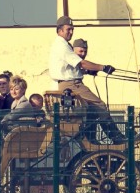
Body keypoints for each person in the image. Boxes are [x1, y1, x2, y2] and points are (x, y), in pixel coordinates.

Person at [50, 16, 123, 144]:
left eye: (72, 29)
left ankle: (92, 139)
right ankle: (117, 138)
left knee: (92, 111)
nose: (71, 32)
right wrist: (103, 67)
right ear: (60, 30)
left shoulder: (61, 45)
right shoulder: (62, 46)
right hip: (72, 85)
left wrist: (89, 71)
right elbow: (81, 63)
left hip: (69, 84)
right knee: (100, 106)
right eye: (68, 29)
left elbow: (68, 68)